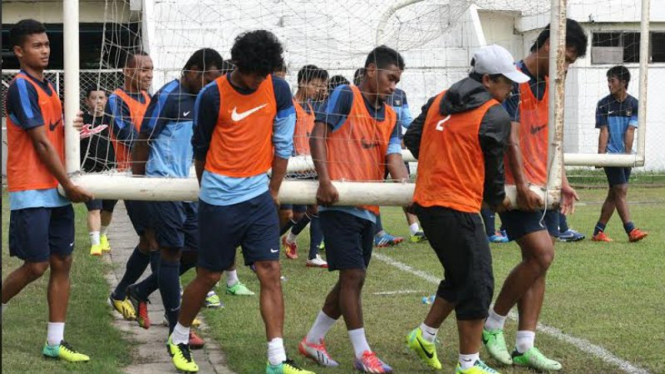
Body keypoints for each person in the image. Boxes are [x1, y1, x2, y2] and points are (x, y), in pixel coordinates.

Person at [168, 30, 314, 374]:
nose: (260, 80)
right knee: (209, 276)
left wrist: (273, 192)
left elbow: (282, 146)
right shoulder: (211, 96)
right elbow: (200, 152)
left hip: (259, 199)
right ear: (238, 66)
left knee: (270, 272)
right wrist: (212, 193)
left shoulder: (277, 90)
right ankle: (178, 336)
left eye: (266, 73)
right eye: (255, 74)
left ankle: (276, 359)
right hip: (218, 201)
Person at [404, 44, 527, 374]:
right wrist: (498, 197)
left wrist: (441, 160)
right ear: (487, 80)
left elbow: (413, 137)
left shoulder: (440, 98)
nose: (511, 89)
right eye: (506, 82)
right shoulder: (495, 114)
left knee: (460, 277)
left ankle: (424, 335)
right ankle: (468, 365)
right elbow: (494, 171)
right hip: (456, 207)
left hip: (427, 204)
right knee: (478, 284)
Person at [482, 19, 588, 371]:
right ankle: (493, 324)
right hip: (517, 187)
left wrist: (563, 179)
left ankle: (525, 344)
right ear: (548, 47)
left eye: (571, 62)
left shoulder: (553, 84)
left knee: (540, 266)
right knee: (541, 255)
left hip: (545, 185)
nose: (568, 67)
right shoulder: (510, 80)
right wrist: (524, 184)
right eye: (567, 59)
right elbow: (510, 139)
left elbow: (550, 139)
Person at [298, 46, 407, 373]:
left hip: (368, 209)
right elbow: (319, 134)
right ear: (371, 70)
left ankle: (313, 340)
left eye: (398, 80)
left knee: (352, 281)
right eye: (390, 78)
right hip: (339, 204)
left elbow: (395, 157)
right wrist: (325, 180)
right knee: (353, 275)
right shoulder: (346, 95)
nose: (393, 86)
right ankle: (363, 353)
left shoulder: (391, 115)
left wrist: (406, 188)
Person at [2, 19, 93, 362]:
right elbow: (40, 143)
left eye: (46, 44)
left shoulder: (51, 88)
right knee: (36, 265)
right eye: (37, 45)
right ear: (19, 51)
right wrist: (69, 184)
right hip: (33, 189)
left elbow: (53, 133)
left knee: (62, 261)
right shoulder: (21, 87)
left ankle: (55, 342)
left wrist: (74, 127)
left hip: (55, 190)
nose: (45, 50)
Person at [124, 48, 225, 350]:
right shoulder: (169, 96)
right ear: (192, 71)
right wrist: (141, 189)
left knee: (196, 251)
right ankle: (174, 325)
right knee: (171, 250)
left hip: (187, 186)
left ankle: (140, 290)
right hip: (161, 183)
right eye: (208, 78)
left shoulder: (205, 100)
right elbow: (143, 140)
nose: (212, 85)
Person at [106, 49, 158, 323]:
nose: (148, 74)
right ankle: (125, 293)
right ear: (127, 71)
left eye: (150, 69)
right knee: (154, 240)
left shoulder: (151, 99)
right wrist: (156, 144)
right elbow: (127, 135)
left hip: (154, 176)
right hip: (131, 179)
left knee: (155, 241)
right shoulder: (116, 100)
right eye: (142, 69)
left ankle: (127, 292)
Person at [591, 65, 648, 243]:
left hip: (626, 156)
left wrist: (628, 156)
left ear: (623, 82)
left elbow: (631, 130)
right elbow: (604, 131)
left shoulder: (634, 104)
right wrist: (601, 156)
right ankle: (631, 231)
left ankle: (598, 232)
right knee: (621, 190)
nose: (609, 84)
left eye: (612, 80)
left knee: (614, 194)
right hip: (610, 155)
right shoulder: (603, 104)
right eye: (608, 81)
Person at [281, 64, 329, 268]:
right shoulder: (290, 106)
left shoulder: (311, 107)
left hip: (308, 167)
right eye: (315, 85)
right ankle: (266, 247)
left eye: (321, 86)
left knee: (315, 208)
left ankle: (312, 254)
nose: (318, 90)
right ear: (302, 83)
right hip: (292, 168)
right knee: (290, 215)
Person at [79, 86, 118, 255]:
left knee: (108, 209)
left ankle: (103, 236)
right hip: (88, 172)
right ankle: (95, 244)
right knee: (94, 208)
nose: (98, 101)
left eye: (101, 97)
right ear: (87, 101)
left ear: (106, 100)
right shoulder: (80, 120)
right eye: (94, 98)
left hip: (110, 172)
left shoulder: (112, 120)